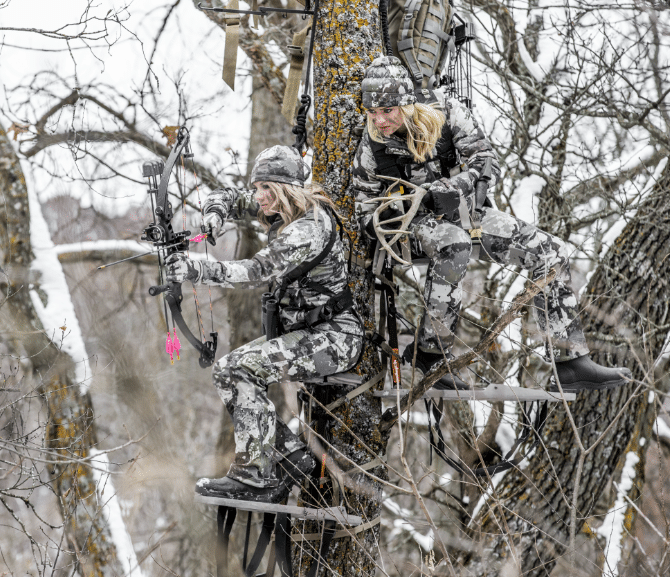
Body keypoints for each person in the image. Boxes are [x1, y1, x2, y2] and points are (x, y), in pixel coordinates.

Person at [353, 55, 629, 392]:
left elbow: (483, 159)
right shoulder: (372, 145)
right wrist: (409, 203)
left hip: (465, 213)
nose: (380, 120)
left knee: (549, 251)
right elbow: (365, 209)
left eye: (388, 111)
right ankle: (429, 354)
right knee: (454, 242)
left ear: (408, 104)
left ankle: (569, 362)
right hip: (410, 226)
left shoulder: (445, 111)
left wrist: (455, 188)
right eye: (372, 112)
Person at [164, 145, 363, 503]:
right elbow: (226, 195)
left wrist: (196, 269)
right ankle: (290, 458)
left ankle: (255, 475)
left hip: (335, 338)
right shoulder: (273, 203)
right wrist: (214, 215)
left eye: (265, 189)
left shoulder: (310, 228)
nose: (258, 197)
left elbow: (257, 269)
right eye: (256, 188)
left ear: (286, 189)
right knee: (227, 369)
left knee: (242, 368)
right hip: (308, 334)